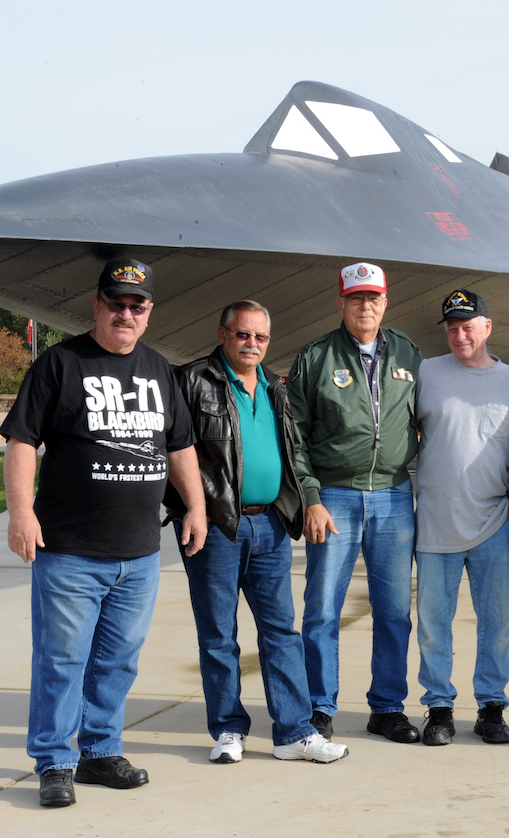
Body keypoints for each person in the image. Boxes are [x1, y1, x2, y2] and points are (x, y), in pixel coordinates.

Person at [1, 259, 208, 807]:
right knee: (61, 659)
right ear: (96, 305)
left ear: (148, 313)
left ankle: (99, 751)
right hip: (69, 549)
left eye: (136, 306)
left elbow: (180, 446)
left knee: (117, 660)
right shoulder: (59, 363)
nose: (125, 313)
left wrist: (196, 507)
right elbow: (22, 441)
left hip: (138, 554)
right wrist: (21, 513)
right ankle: (54, 762)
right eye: (115, 303)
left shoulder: (159, 369)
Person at [164, 300, 350, 765]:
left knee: (281, 632)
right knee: (218, 634)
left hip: (269, 523)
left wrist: (308, 501)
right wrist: (192, 509)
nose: (252, 344)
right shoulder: (192, 380)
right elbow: (171, 450)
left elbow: (292, 451)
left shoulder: (275, 386)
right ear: (223, 334)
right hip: (216, 526)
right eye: (243, 334)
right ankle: (228, 729)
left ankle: (294, 732)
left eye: (261, 337)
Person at [288, 262, 423, 744]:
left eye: (374, 298)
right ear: (340, 302)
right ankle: (319, 707)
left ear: (385, 302)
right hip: (336, 496)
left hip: (393, 493)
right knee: (323, 608)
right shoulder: (317, 356)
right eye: (355, 298)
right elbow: (296, 435)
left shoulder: (408, 351)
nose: (365, 306)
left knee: (393, 611)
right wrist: (311, 496)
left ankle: (387, 707)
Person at [414, 289, 509, 746]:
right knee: (433, 622)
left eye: (468, 325)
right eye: (451, 327)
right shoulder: (427, 373)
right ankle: (439, 707)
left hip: (494, 523)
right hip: (436, 521)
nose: (459, 335)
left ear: (487, 327)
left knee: (495, 622)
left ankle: (491, 707)